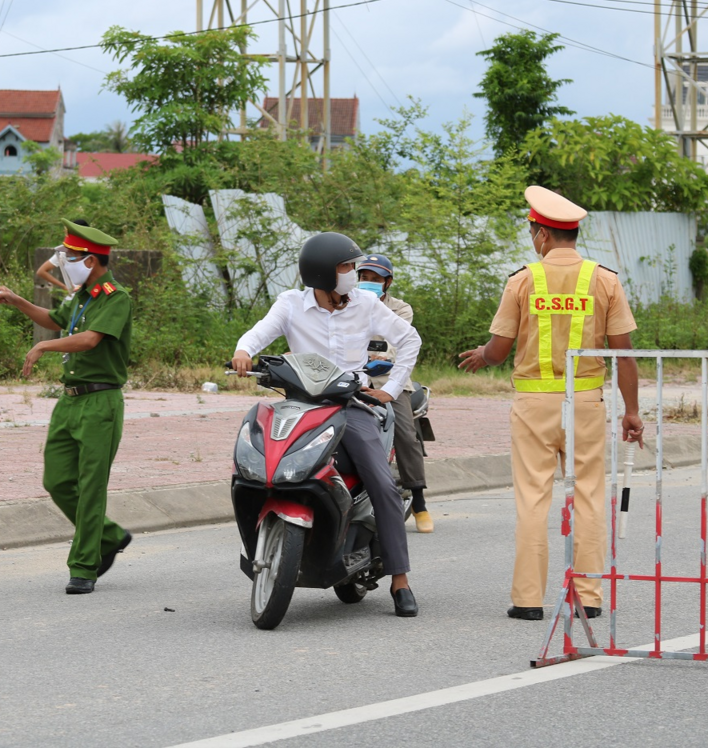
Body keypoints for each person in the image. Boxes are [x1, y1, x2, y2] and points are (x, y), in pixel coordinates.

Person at [459, 186, 644, 621]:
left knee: (532, 500)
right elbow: (625, 355)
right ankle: (588, 599)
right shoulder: (604, 280)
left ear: (542, 234)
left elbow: (498, 350)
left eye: (532, 232)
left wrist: (482, 355)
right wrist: (632, 411)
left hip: (534, 405)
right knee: (589, 497)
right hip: (586, 403)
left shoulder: (523, 280)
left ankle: (528, 601)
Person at [232, 232, 422, 617]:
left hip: (351, 405)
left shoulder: (366, 304)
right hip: (300, 403)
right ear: (322, 273)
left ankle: (400, 579)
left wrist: (391, 390)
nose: (353, 273)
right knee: (261, 461)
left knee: (382, 482)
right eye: (346, 267)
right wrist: (243, 350)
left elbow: (409, 339)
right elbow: (260, 331)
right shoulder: (291, 304)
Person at [0, 219, 133, 595]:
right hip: (69, 401)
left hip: (100, 402)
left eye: (70, 256)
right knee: (56, 480)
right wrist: (17, 301)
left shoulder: (115, 297)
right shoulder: (81, 296)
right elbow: (54, 321)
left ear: (90, 261)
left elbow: (89, 339)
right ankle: (109, 536)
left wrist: (43, 346)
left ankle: (84, 566)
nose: (63, 262)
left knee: (91, 487)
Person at [357, 254, 433, 534]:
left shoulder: (400, 308)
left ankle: (419, 502)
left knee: (404, 433)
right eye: (364, 278)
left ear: (387, 282)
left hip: (390, 380)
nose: (368, 282)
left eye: (375, 279)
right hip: (352, 377)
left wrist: (381, 355)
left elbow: (396, 342)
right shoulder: (345, 303)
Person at [34, 218, 90, 300]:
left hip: (91, 294)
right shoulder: (65, 252)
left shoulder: (92, 250)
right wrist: (64, 286)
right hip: (76, 296)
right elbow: (41, 271)